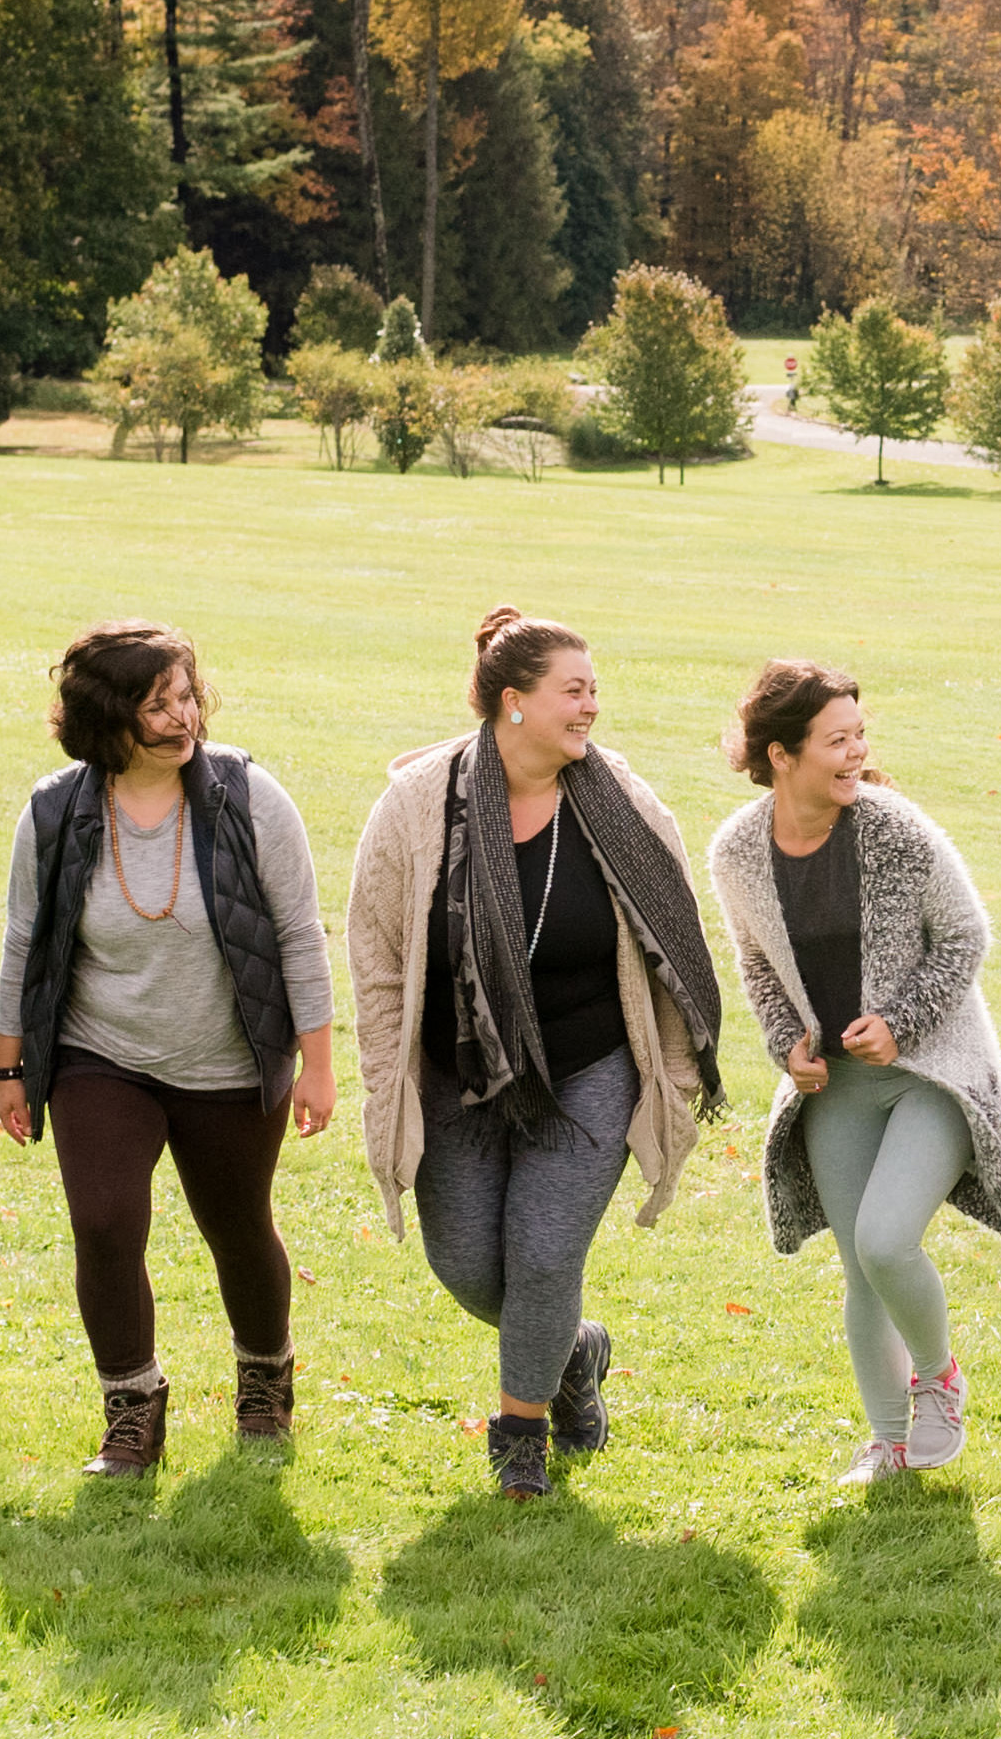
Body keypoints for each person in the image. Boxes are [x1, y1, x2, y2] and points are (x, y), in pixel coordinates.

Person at [345, 607, 729, 1501]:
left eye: (594, 689)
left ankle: (519, 1437)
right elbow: (373, 955)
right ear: (513, 702)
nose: (591, 707)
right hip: (456, 1070)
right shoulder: (418, 804)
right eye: (574, 691)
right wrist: (381, 1079)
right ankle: (574, 1352)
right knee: (474, 1268)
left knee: (547, 1255)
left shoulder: (617, 798)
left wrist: (671, 1073)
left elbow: (675, 934)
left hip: (590, 1066)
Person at [0, 621, 338, 1479]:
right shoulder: (56, 810)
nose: (184, 718)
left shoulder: (250, 798)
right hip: (99, 1052)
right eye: (159, 705)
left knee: (238, 1229)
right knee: (104, 1226)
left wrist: (319, 1063)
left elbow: (299, 935)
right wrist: (9, 1068)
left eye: (188, 696)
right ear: (107, 719)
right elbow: (23, 943)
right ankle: (131, 1410)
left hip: (228, 1056)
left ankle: (264, 1380)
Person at [705, 660, 1001, 1485]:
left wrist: (900, 1024)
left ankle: (939, 1380)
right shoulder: (738, 850)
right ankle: (889, 1443)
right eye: (837, 740)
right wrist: (786, 1040)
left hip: (931, 1072)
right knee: (859, 1269)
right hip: (836, 1087)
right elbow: (755, 964)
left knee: (887, 1241)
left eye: (860, 734)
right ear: (782, 755)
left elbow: (967, 937)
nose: (856, 752)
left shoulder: (893, 827)